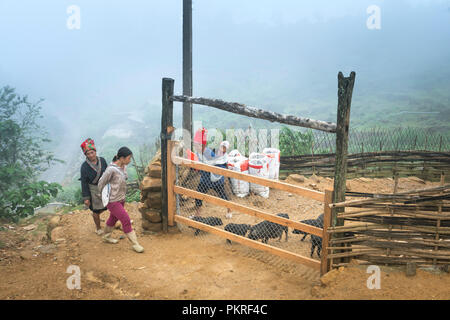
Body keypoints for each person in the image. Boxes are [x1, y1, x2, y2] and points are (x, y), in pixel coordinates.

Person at [97, 147, 144, 253]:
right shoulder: (111, 170)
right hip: (112, 201)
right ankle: (135, 244)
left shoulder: (123, 167)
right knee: (126, 220)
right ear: (122, 158)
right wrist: (103, 196)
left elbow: (124, 178)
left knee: (113, 219)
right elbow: (101, 183)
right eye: (128, 158)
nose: (130, 160)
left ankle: (106, 236)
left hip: (121, 199)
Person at [193, 128, 232, 218]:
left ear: (202, 145)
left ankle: (229, 209)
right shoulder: (198, 152)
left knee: (222, 195)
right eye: (195, 145)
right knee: (198, 195)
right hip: (205, 180)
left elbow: (216, 162)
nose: (196, 146)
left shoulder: (207, 152)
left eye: (197, 145)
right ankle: (197, 214)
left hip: (215, 179)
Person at [79, 138, 108, 235]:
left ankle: (116, 222)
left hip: (104, 187)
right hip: (93, 190)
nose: (91, 155)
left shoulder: (102, 160)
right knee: (96, 210)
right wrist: (86, 198)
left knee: (111, 206)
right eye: (88, 154)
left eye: (92, 152)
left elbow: (108, 173)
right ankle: (98, 228)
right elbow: (83, 182)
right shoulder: (84, 167)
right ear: (86, 155)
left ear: (95, 151)